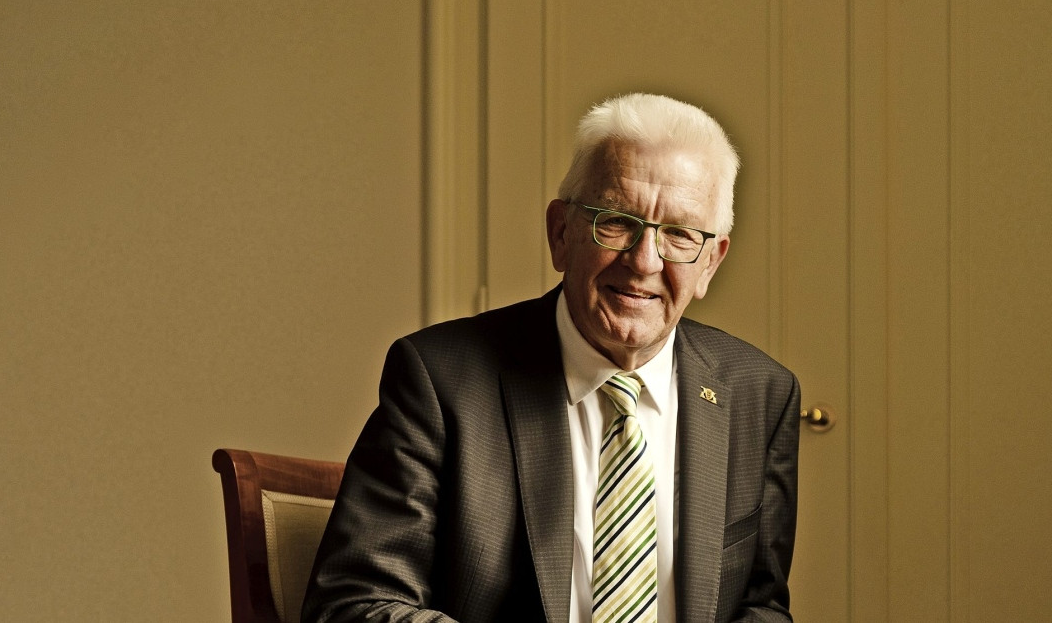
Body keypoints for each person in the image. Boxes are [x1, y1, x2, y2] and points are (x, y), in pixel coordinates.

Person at [303, 93, 800, 623]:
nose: (643, 261)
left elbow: (760, 606)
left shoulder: (759, 394)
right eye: (616, 221)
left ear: (710, 263)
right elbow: (354, 604)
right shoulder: (440, 380)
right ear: (561, 233)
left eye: (679, 234)